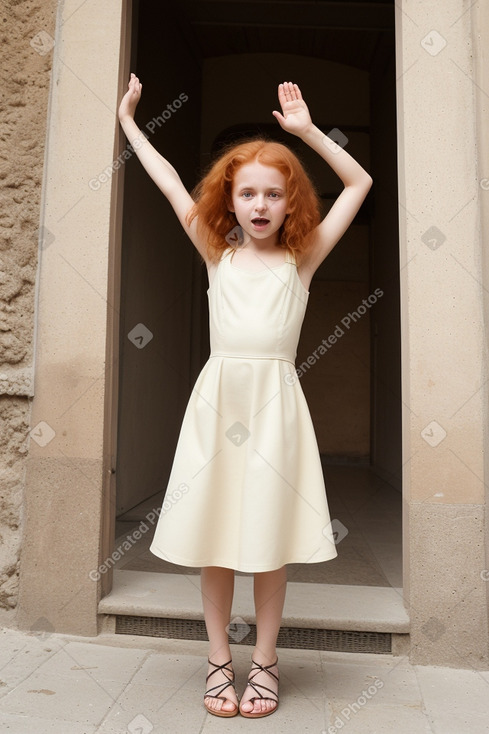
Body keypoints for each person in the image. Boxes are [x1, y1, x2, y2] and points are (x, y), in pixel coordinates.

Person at [118, 76, 372, 719]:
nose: (260, 205)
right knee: (215, 535)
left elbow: (360, 184)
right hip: (219, 403)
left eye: (274, 194)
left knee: (266, 535)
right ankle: (215, 662)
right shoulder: (216, 251)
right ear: (229, 201)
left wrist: (307, 133)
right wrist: (128, 125)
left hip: (275, 407)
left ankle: (264, 662)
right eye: (247, 193)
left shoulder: (303, 258)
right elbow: (171, 181)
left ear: (291, 204)